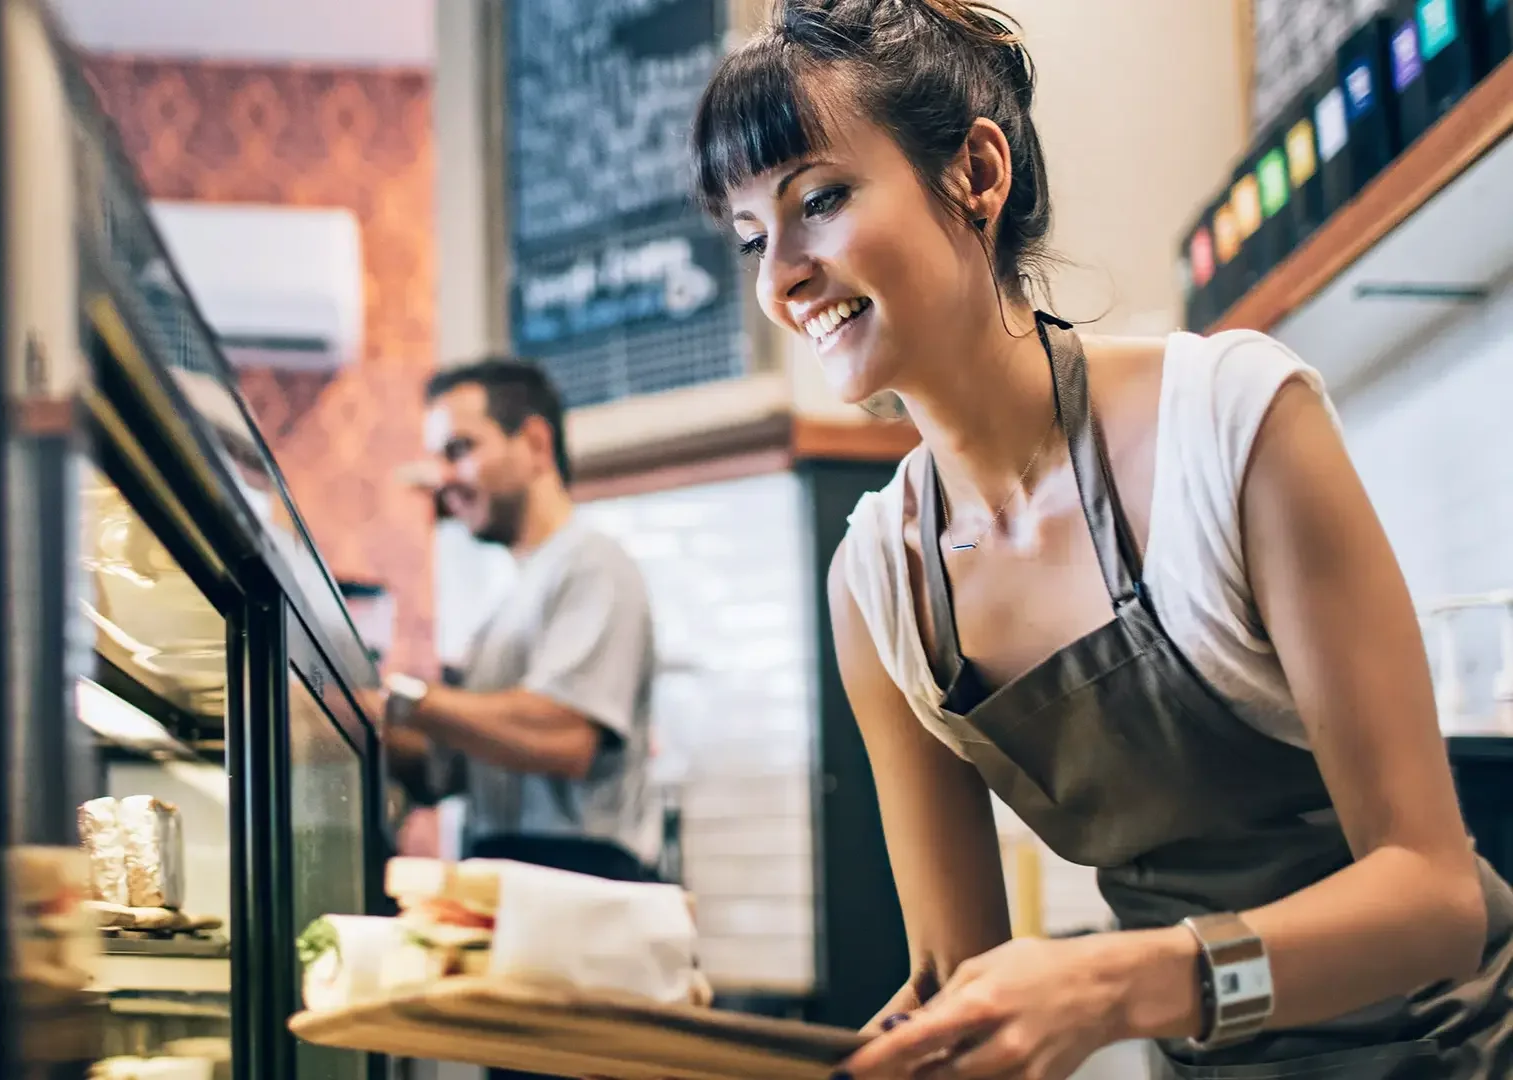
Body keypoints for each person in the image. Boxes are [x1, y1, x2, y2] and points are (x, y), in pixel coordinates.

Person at [691, 1, 1513, 1077]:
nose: (780, 277)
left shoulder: (1227, 425)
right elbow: (955, 977)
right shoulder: (878, 583)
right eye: (752, 237)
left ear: (976, 175)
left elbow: (1435, 899)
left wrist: (1114, 982)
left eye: (821, 201)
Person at [372, 357, 657, 890]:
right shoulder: (506, 601)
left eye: (460, 450)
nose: (445, 478)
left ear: (534, 443)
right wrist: (345, 716)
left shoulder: (591, 562)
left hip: (580, 880)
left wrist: (405, 700)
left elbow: (565, 735)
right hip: (512, 869)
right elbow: (450, 768)